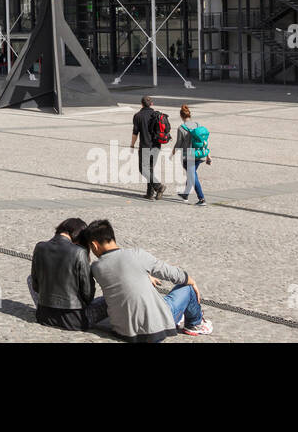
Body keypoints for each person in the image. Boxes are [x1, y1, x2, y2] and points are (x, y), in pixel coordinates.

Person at [84, 219, 213, 340]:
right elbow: (170, 273)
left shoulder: (96, 268)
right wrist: (192, 281)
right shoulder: (137, 254)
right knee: (187, 288)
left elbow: (119, 272)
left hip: (124, 332)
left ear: (94, 245)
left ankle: (181, 318)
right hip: (156, 329)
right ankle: (195, 324)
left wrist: (144, 275)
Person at [28, 218, 105, 331]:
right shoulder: (79, 252)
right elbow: (88, 294)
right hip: (74, 320)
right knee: (109, 300)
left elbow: (35, 286)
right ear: (79, 237)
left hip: (44, 316)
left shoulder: (39, 247)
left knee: (29, 278)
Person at [131, 96, 168, 200]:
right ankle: (149, 193)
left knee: (143, 169)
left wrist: (132, 145)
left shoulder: (138, 116)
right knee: (150, 169)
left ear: (141, 104)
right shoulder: (157, 115)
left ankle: (159, 186)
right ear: (151, 104)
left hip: (145, 146)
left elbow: (135, 133)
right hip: (156, 145)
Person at [173, 105, 211, 205]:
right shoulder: (198, 125)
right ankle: (185, 194)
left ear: (181, 116)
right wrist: (208, 155)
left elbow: (178, 144)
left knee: (193, 176)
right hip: (199, 154)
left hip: (188, 155)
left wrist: (172, 153)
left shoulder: (181, 128)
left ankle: (201, 199)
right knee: (191, 174)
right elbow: (204, 140)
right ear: (190, 115)